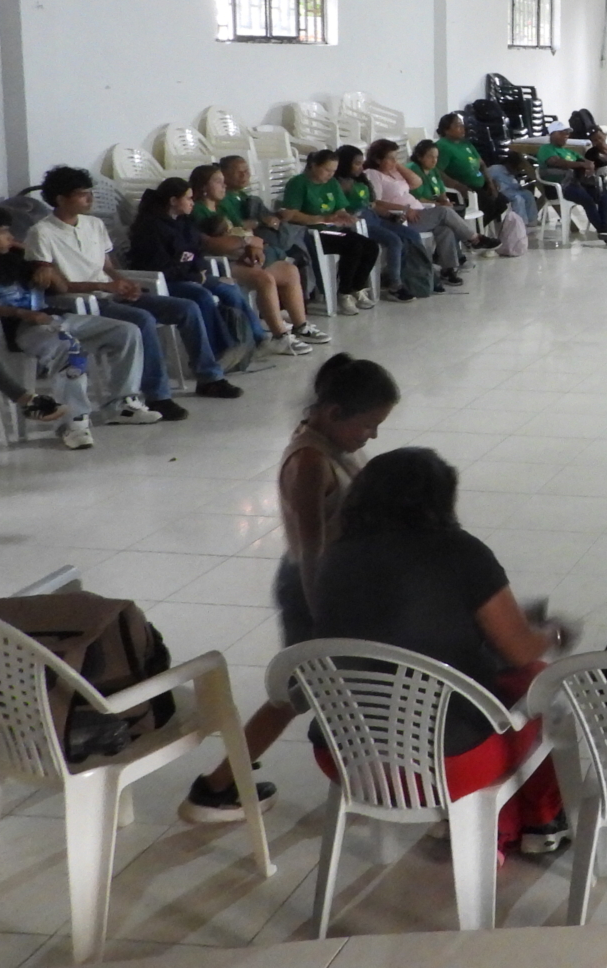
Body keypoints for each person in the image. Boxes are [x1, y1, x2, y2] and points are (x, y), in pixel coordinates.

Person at [313, 446, 570, 858]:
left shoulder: (334, 558)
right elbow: (519, 650)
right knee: (537, 681)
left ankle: (491, 823)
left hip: (344, 756)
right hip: (447, 765)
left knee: (482, 693)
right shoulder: (461, 553)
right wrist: (551, 633)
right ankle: (541, 822)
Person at [179, 354, 400, 823]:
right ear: (333, 412)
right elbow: (312, 548)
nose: (372, 436)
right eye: (368, 425)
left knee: (317, 689)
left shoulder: (329, 441)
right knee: (297, 692)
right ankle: (216, 786)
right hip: (312, 589)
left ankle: (367, 773)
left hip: (334, 585)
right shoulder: (310, 462)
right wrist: (323, 615)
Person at [25, 165, 239, 418]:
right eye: (82, 194)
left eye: (89, 192)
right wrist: (103, 286)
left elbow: (107, 266)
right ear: (61, 199)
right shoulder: (41, 233)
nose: (90, 199)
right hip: (83, 301)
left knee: (187, 307)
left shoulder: (94, 224)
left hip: (110, 292)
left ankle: (209, 377)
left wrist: (124, 282)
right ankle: (158, 395)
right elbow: (55, 286)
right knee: (143, 319)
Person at [0, 205, 152, 447]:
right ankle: (73, 423)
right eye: (3, 232)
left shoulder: (13, 260)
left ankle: (122, 405)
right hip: (17, 329)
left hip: (50, 318)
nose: (10, 237)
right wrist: (19, 312)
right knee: (70, 348)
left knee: (126, 331)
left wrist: (43, 265)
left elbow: (62, 288)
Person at [127, 177, 258, 373]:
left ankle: (256, 340)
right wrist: (195, 278)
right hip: (166, 281)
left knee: (229, 288)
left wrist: (201, 270)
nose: (192, 203)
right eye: (188, 198)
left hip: (191, 275)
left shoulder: (184, 222)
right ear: (173, 201)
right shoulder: (150, 228)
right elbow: (161, 268)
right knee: (201, 295)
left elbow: (196, 250)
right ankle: (219, 351)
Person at [189, 163, 319, 353]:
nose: (224, 186)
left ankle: (301, 326)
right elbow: (214, 244)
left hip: (242, 256)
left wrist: (251, 245)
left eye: (224, 182)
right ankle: (279, 335)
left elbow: (244, 232)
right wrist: (247, 242)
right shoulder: (198, 211)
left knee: (289, 271)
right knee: (264, 279)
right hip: (219, 263)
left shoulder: (223, 207)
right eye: (218, 182)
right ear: (203, 187)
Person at [281, 149, 383, 316]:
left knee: (371, 247)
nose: (330, 174)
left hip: (333, 230)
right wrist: (321, 218)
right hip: (312, 233)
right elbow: (290, 215)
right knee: (354, 247)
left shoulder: (332, 183)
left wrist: (344, 216)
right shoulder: (298, 183)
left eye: (333, 171)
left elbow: (339, 208)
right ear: (314, 166)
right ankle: (344, 292)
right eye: (327, 170)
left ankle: (357, 288)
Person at [338, 143, 430, 299]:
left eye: (361, 163)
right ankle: (395, 285)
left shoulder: (362, 180)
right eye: (357, 164)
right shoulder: (340, 184)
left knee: (412, 235)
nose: (361, 167)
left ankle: (417, 275)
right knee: (394, 240)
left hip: (375, 218)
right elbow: (342, 210)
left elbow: (373, 205)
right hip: (361, 223)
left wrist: (391, 216)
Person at [407, 139, 495, 279]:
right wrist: (438, 204)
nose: (434, 160)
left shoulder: (433, 170)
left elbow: (441, 191)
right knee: (445, 212)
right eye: (430, 156)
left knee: (446, 228)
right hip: (418, 212)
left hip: (433, 211)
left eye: (436, 157)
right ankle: (474, 239)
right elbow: (416, 198)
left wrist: (445, 200)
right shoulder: (413, 170)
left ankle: (449, 268)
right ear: (419, 156)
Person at [537, 122, 607, 244]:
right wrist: (580, 164)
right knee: (588, 200)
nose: (566, 135)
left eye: (567, 133)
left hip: (575, 184)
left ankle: (605, 231)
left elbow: (586, 162)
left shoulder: (569, 152)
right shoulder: (546, 149)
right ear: (552, 134)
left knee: (603, 197)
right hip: (559, 187)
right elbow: (557, 162)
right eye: (562, 133)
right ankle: (604, 232)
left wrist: (589, 166)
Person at [436, 112, 506, 223]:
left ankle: (482, 228)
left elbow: (482, 164)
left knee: (502, 202)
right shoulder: (443, 146)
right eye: (458, 125)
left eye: (462, 125)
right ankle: (473, 231)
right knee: (489, 205)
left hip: (481, 183)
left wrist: (490, 182)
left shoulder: (466, 143)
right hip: (465, 188)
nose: (462, 128)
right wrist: (457, 186)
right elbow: (437, 171)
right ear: (446, 130)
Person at [486, 151, 539, 228]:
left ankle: (532, 220)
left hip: (512, 190)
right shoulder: (496, 169)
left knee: (528, 194)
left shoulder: (512, 174)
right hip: (501, 192)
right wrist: (492, 183)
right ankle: (520, 222)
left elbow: (514, 184)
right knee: (518, 199)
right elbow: (486, 176)